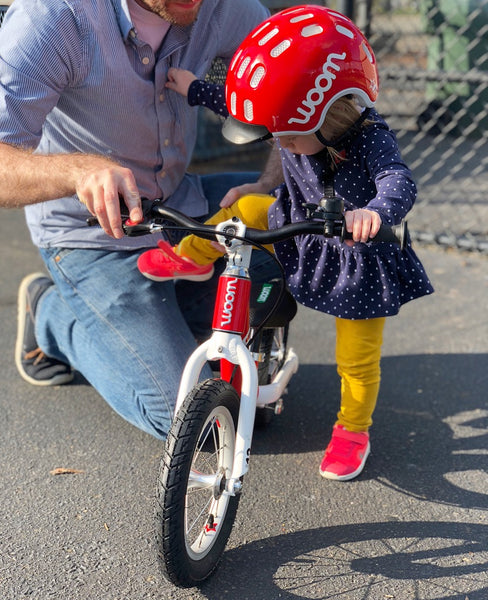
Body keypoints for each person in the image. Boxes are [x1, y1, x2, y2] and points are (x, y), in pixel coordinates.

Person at [137, 5, 435, 480]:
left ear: (330, 113)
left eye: (290, 139)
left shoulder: (370, 136)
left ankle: (354, 429)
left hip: (354, 255)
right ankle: (192, 257)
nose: (280, 143)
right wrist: (194, 88)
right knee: (245, 209)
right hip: (298, 224)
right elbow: (244, 109)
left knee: (356, 359)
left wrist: (374, 214)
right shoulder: (293, 125)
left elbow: (399, 181)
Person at [0, 0, 279, 440]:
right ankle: (51, 315)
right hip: (92, 236)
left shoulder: (222, 7)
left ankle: (177, 316)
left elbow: (297, 97)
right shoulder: (53, 17)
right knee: (194, 421)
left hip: (179, 206)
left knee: (304, 208)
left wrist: (268, 179)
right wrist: (78, 172)